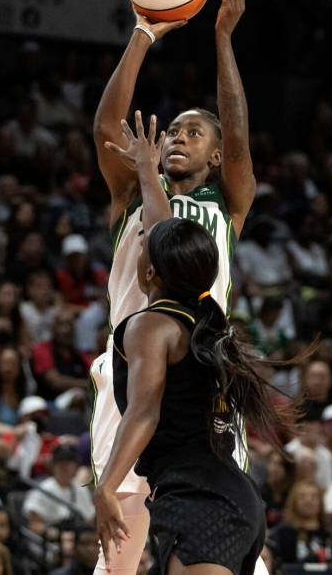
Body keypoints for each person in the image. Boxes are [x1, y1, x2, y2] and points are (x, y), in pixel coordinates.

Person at [91, 0, 259, 575]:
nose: (178, 137)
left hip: (205, 363)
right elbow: (107, 130)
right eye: (175, 131)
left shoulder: (224, 204)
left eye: (195, 132)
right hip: (133, 362)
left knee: (217, 516)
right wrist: (142, 32)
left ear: (215, 155)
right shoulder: (136, 193)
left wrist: (223, 40)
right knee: (119, 536)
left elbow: (238, 135)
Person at [93, 217, 304, 574]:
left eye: (143, 246)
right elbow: (165, 228)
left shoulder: (151, 325)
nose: (137, 250)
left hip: (199, 500)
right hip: (229, 495)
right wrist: (147, 168)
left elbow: (144, 413)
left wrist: (106, 488)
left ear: (150, 272)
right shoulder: (206, 321)